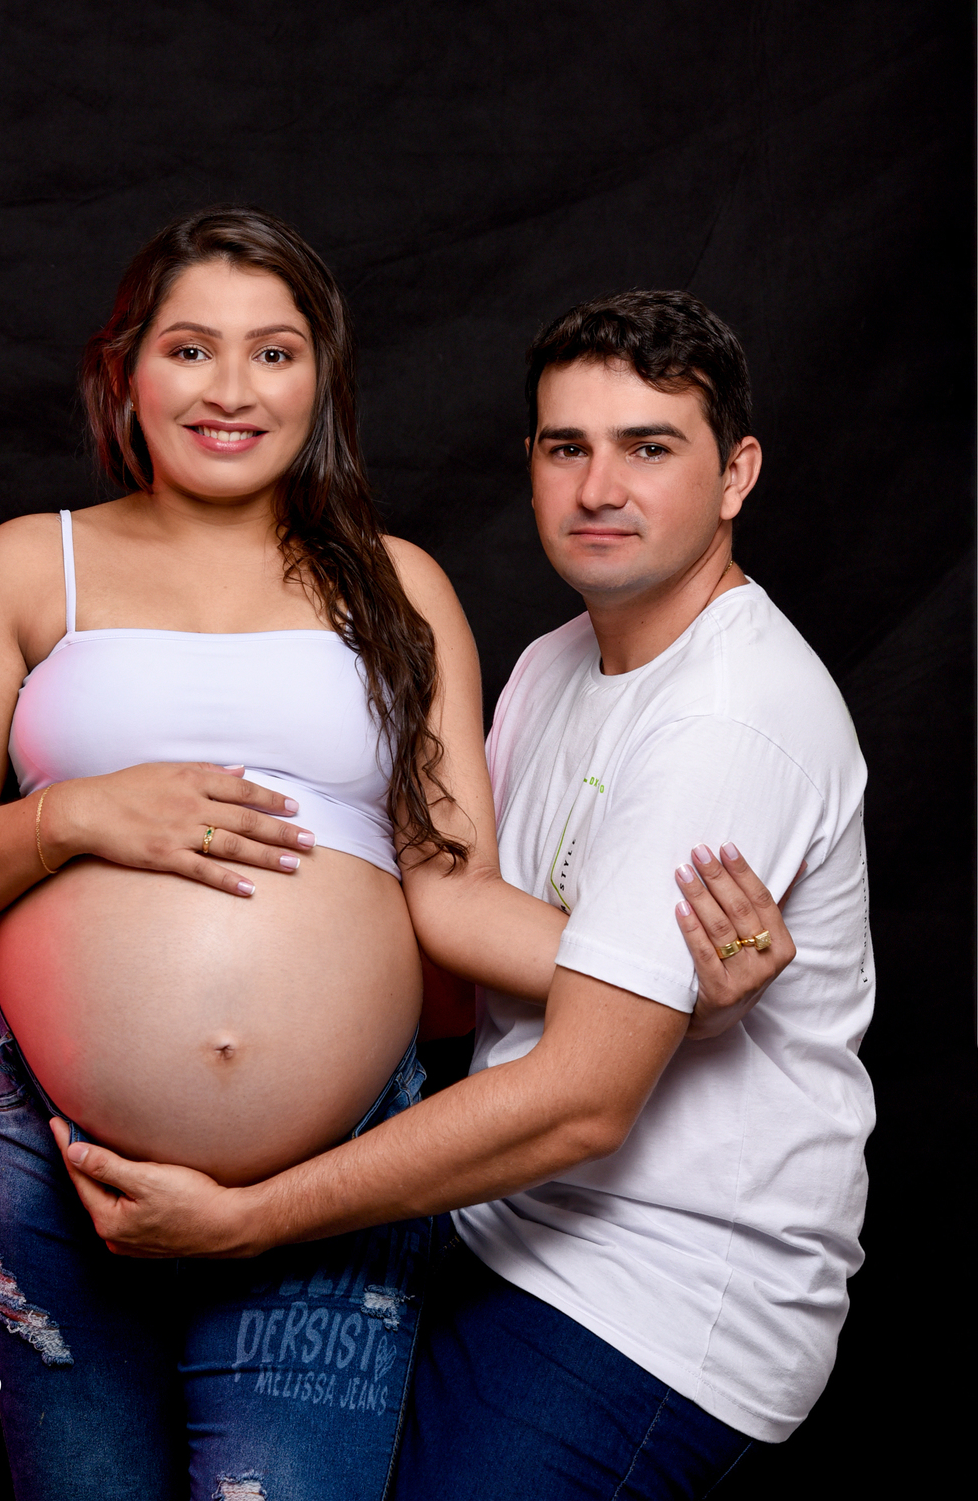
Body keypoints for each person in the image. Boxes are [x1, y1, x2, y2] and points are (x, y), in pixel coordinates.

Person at [58, 289, 873, 1498]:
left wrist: (251, 1215)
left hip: (658, 1294)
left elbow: (582, 1101)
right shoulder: (554, 662)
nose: (600, 487)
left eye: (650, 447)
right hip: (501, 1230)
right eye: (567, 447)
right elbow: (451, 920)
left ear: (735, 474)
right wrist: (663, 995)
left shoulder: (731, 715)